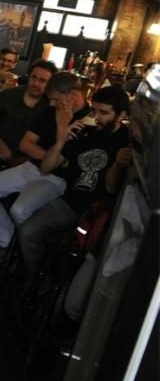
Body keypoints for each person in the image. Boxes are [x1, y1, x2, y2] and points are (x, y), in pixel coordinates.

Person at [0, 71, 92, 264]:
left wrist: (54, 153)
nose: (51, 104)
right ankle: (9, 243)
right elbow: (25, 144)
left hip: (58, 179)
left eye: (55, 99)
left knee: (19, 210)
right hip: (33, 167)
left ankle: (27, 252)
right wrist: (52, 157)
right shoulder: (48, 111)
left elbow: (64, 166)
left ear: (73, 95)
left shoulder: (89, 122)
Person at [16, 86, 131, 278]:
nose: (96, 117)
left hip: (99, 212)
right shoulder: (85, 132)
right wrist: (62, 140)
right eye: (94, 110)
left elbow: (112, 188)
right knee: (27, 231)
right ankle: (37, 277)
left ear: (121, 116)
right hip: (70, 202)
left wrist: (118, 165)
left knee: (80, 256)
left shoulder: (125, 141)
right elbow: (46, 167)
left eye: (103, 113)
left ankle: (60, 283)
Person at [0, 59, 55, 167]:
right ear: (28, 77)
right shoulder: (8, 95)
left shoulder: (50, 106)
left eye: (42, 81)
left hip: (25, 157)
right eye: (33, 77)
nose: (35, 83)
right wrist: (0, 144)